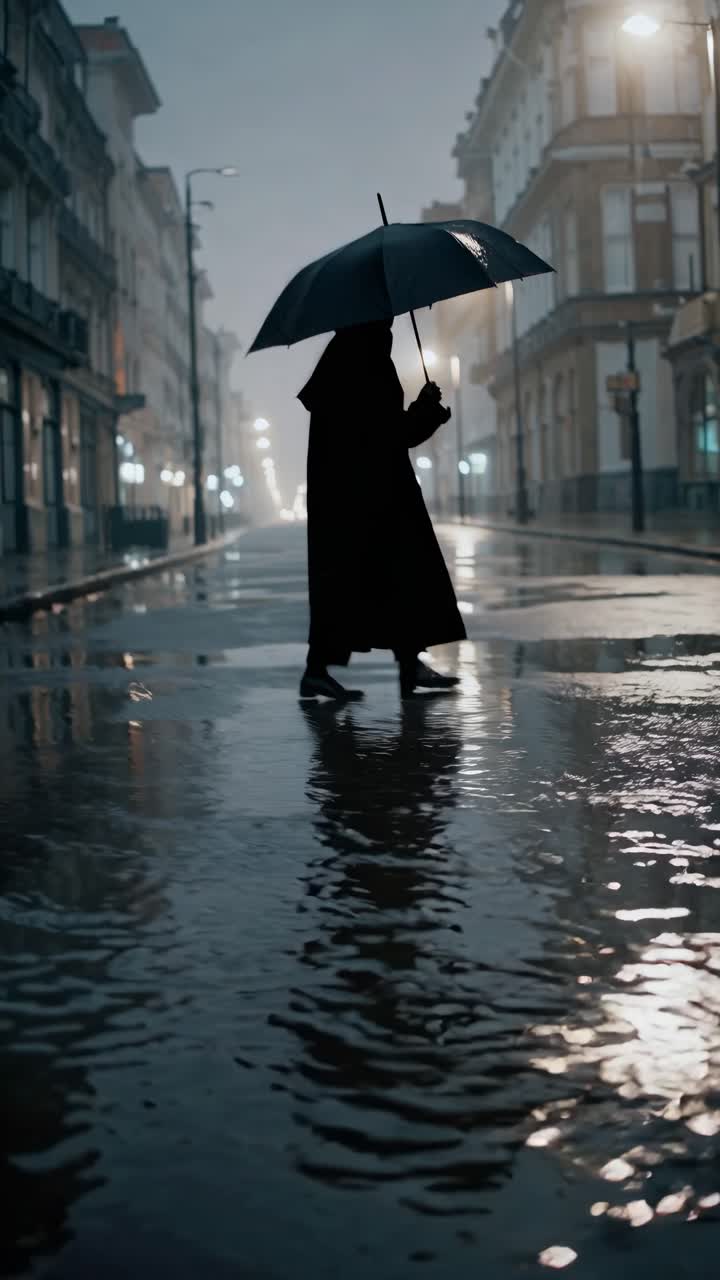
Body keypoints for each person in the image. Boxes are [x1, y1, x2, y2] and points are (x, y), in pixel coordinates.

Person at [297, 319, 466, 700]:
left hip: (358, 496)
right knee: (386, 575)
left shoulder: (348, 352)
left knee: (384, 580)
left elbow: (381, 430)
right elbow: (391, 434)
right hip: (372, 496)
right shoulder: (364, 357)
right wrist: (425, 410)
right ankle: (321, 670)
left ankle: (403, 665)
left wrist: (422, 411)